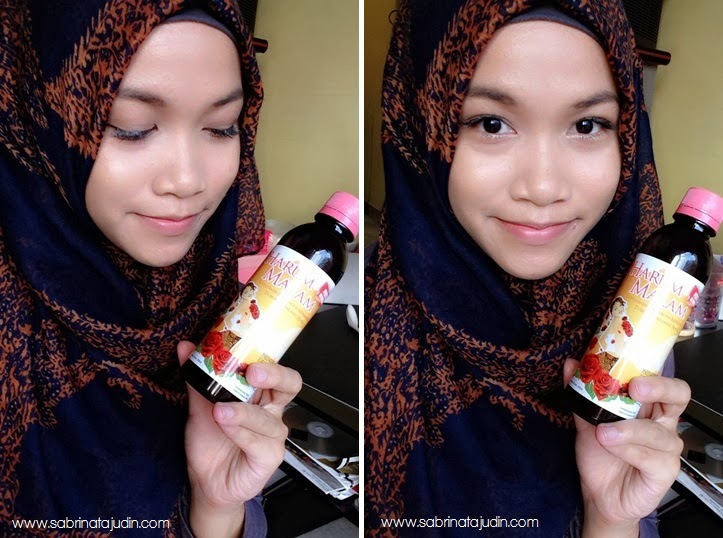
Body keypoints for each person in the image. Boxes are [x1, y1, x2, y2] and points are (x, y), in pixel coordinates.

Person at [364, 0, 689, 536]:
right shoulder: (348, 324)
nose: (543, 187)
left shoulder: (628, 325)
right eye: (491, 124)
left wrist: (611, 516)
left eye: (587, 124)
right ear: (421, 129)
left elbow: (632, 517)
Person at [0, 1, 300, 536]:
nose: (187, 180)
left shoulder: (214, 288)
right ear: (40, 118)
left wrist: (217, 506)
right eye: (131, 128)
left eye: (221, 127)